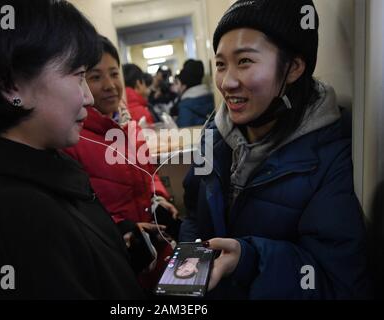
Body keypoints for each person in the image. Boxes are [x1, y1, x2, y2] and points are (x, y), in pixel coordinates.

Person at [0, 0, 144, 299]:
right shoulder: (5, 220)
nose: (87, 97)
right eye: (78, 75)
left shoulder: (36, 174)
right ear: (11, 87)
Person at [180, 0, 370, 299]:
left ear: (293, 67)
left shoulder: (329, 156)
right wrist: (185, 278)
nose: (227, 82)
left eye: (244, 61)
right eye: (220, 64)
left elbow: (337, 284)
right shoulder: (213, 133)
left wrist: (249, 260)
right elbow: (193, 213)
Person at [63, 36, 178, 290]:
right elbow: (78, 214)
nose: (110, 85)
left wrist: (160, 198)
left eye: (114, 73)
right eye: (95, 77)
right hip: (118, 261)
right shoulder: (72, 139)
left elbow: (150, 173)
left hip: (153, 255)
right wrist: (124, 229)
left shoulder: (130, 126)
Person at [175, 59, 215, 127]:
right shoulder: (213, 97)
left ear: (184, 85)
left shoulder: (185, 106)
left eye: (177, 83)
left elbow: (185, 133)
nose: (176, 87)